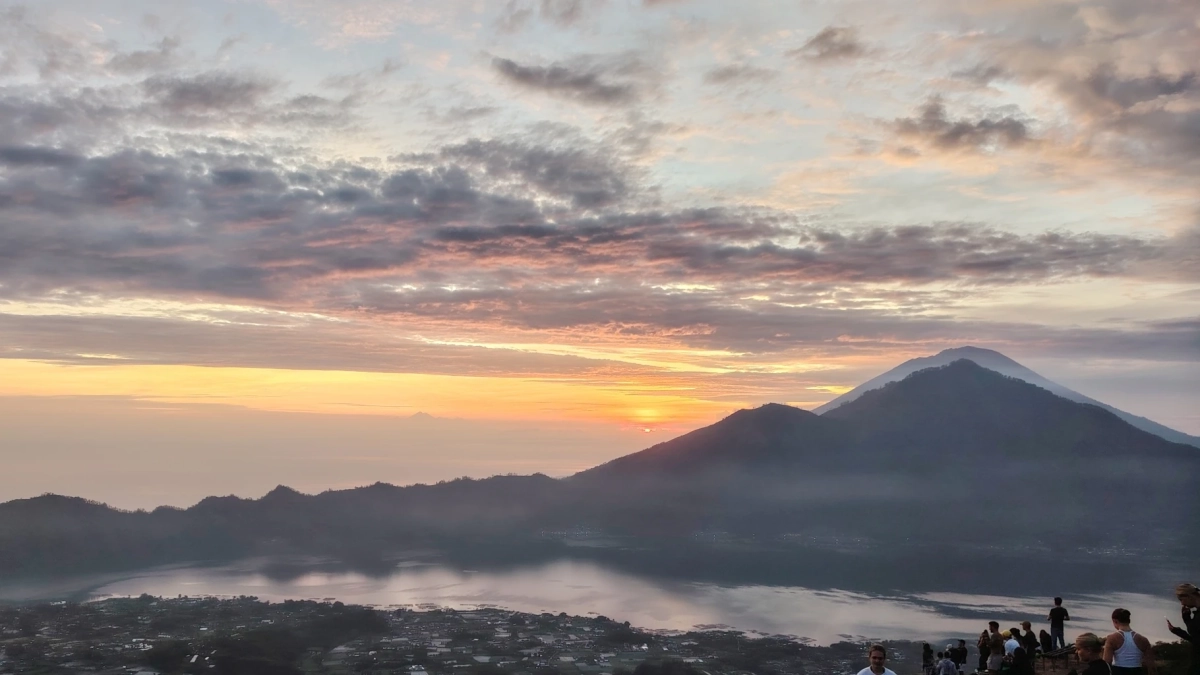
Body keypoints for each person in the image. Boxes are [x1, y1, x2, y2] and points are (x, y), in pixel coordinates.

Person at [1104, 608, 1153, 675]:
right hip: (1138, 672)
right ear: (1128, 620)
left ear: (1115, 621)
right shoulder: (1143, 640)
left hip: (1118, 671)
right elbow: (1150, 664)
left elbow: (1107, 662)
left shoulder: (1112, 638)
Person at [1167, 583, 1200, 675]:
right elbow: (1196, 639)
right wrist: (1178, 631)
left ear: (1189, 596)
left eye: (1181, 599)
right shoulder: (1197, 614)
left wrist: (1187, 620)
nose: (1182, 603)